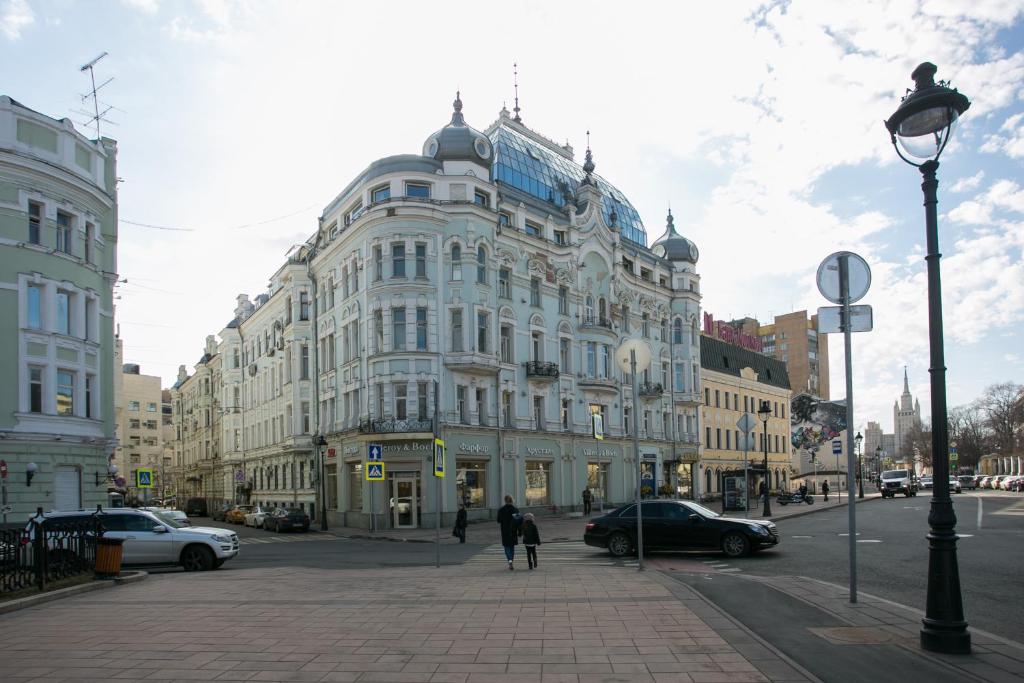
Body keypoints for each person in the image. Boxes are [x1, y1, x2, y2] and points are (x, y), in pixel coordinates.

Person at [496, 495, 520, 571]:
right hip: (513, 530)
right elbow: (518, 521)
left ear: (505, 500)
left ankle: (509, 561)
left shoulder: (501, 510)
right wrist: (520, 531)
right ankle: (511, 561)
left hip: (505, 530)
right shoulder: (515, 509)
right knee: (512, 546)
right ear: (512, 500)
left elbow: (498, 520)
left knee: (506, 547)